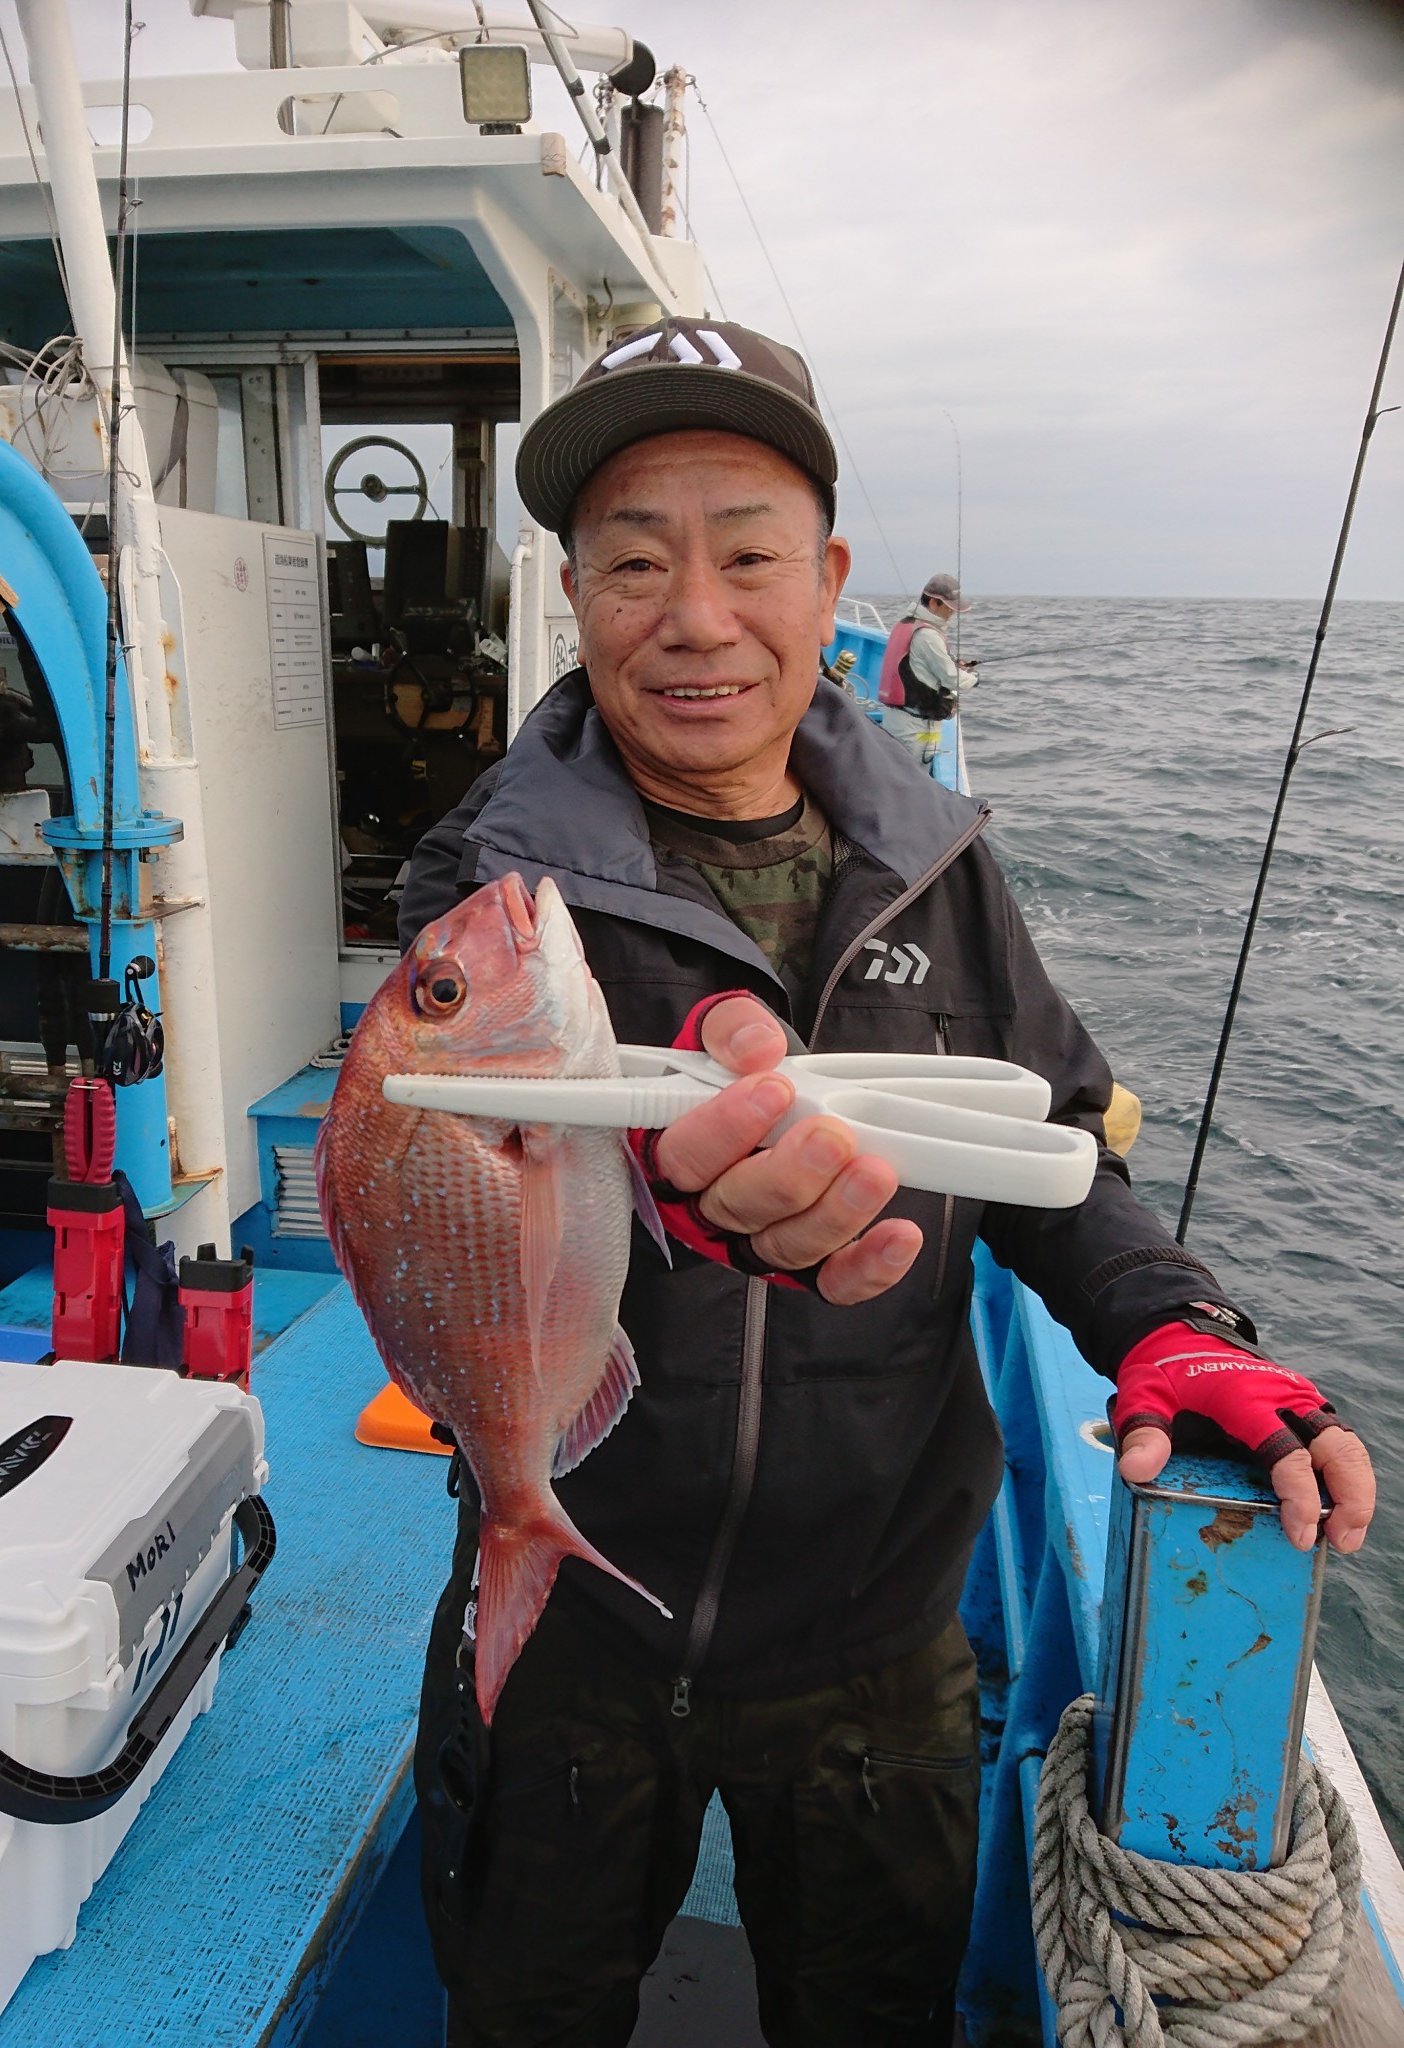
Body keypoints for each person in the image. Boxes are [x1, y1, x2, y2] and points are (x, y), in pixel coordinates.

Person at [398, 317, 1375, 2048]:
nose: (695, 617)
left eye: (747, 555)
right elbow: (440, 1158)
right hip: (571, 1621)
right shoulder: (490, 880)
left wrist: (1176, 1322)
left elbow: (1055, 1144)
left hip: (875, 1632)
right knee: (521, 2009)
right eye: (634, 561)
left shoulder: (939, 866)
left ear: (829, 579)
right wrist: (663, 1190)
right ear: (575, 594)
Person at [878, 574, 977, 771]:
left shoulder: (907, 624)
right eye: (949, 607)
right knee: (913, 778)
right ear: (933, 603)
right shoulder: (928, 635)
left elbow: (917, 664)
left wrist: (953, 663)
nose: (952, 612)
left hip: (899, 721)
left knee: (898, 774)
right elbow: (953, 679)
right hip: (915, 729)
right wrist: (974, 678)